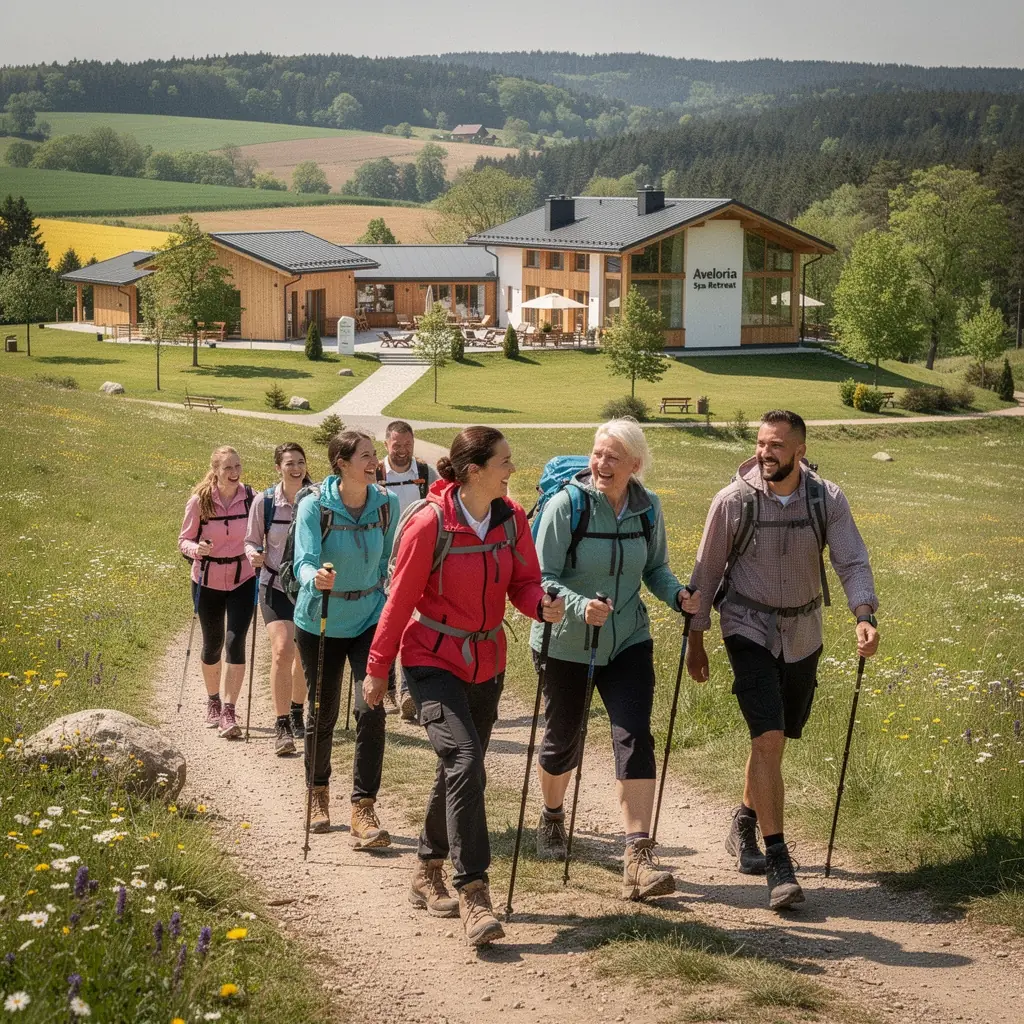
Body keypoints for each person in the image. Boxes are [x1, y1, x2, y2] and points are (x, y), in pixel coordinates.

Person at [364, 427, 564, 947]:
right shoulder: (430, 524)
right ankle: (473, 890)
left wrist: (539, 604)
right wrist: (378, 668)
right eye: (504, 461)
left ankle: (426, 869)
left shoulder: (510, 517)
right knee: (466, 761)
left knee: (458, 764)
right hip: (430, 660)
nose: (511, 470)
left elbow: (523, 581)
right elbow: (399, 599)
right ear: (473, 470)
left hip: (487, 662)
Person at [686, 409, 879, 910]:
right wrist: (696, 638)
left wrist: (864, 612)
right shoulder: (732, 502)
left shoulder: (826, 498)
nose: (764, 453)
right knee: (767, 736)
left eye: (775, 445)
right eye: (760, 443)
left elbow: (852, 558)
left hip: (804, 632)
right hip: (746, 627)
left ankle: (745, 820)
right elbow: (705, 573)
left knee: (777, 737)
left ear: (800, 451)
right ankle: (779, 862)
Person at [530, 418, 700, 901]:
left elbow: (655, 568)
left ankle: (637, 854)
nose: (601, 463)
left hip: (628, 638)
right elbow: (542, 576)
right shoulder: (568, 506)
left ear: (634, 465)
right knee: (564, 738)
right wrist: (581, 606)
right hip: (566, 641)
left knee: (634, 734)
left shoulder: (648, 509)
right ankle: (552, 814)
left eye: (612, 457)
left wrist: (678, 595)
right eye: (597, 453)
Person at [292, 430, 399, 848]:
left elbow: (391, 560)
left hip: (369, 616)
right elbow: (303, 560)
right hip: (320, 617)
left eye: (376, 455)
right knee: (323, 711)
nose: (375, 462)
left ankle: (363, 807)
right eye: (367, 456)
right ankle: (317, 793)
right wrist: (313, 577)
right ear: (341, 461)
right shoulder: (314, 506)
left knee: (370, 708)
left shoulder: (386, 504)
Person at [178, 445, 257, 739]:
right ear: (215, 470)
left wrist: (259, 553)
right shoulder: (199, 502)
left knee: (235, 642)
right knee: (212, 644)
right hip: (206, 580)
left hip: (242, 579)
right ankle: (212, 699)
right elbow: (183, 540)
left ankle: (228, 709)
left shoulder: (252, 498)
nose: (235, 473)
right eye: (228, 468)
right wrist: (196, 549)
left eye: (237, 467)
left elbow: (260, 533)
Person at [244, 442, 313, 756]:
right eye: (289, 463)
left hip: (309, 588)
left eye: (300, 462)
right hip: (274, 585)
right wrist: (254, 554)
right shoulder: (265, 501)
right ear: (278, 467)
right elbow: (250, 540)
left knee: (304, 656)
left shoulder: (318, 499)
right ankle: (282, 723)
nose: (296, 468)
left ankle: (299, 710)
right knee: (283, 650)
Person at [375, 419, 439, 720]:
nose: (402, 451)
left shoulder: (426, 474)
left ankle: (405, 692)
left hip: (417, 559)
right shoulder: (374, 473)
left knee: (412, 625)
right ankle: (386, 686)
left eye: (408, 445)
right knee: (385, 621)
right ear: (386, 444)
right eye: (397, 445)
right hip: (380, 559)